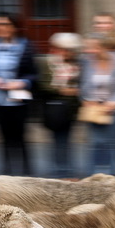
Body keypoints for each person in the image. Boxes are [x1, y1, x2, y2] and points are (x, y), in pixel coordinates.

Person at [0, 11, 37, 176]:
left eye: (2, 24)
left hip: (18, 98)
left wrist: (23, 82)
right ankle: (6, 174)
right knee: (4, 138)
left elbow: (33, 73)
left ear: (13, 27)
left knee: (20, 137)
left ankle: (27, 174)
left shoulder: (25, 45)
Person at [79, 32, 115, 177]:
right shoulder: (86, 61)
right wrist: (86, 98)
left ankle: (113, 177)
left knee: (113, 144)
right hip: (95, 109)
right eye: (88, 48)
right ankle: (93, 178)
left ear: (103, 47)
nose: (90, 51)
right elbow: (83, 84)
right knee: (95, 144)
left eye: (93, 47)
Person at [38, 32, 82, 178]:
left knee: (66, 139)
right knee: (59, 139)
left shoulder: (77, 63)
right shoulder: (48, 63)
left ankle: (66, 169)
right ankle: (60, 170)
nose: (68, 52)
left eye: (70, 50)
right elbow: (43, 85)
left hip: (71, 108)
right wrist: (63, 90)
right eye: (65, 49)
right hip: (55, 108)